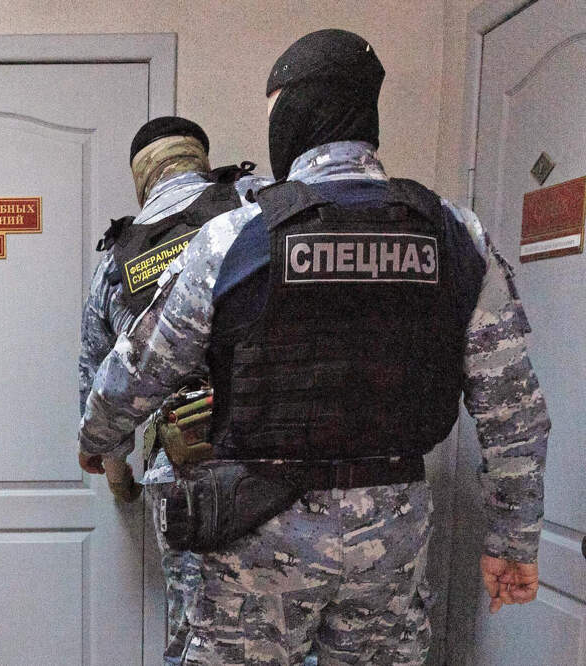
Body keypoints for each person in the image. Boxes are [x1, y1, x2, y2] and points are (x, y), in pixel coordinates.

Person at [79, 29, 549, 665]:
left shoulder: (235, 240)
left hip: (258, 539)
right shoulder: (456, 233)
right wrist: (513, 540)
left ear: (298, 113)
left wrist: (97, 439)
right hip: (390, 537)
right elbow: (514, 412)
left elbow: (137, 371)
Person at [78, 116, 270, 664]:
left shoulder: (116, 262)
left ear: (141, 177)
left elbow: (99, 379)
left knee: (197, 634)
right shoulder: (258, 208)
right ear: (202, 160)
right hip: (279, 455)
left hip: (186, 473)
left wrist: (117, 473)